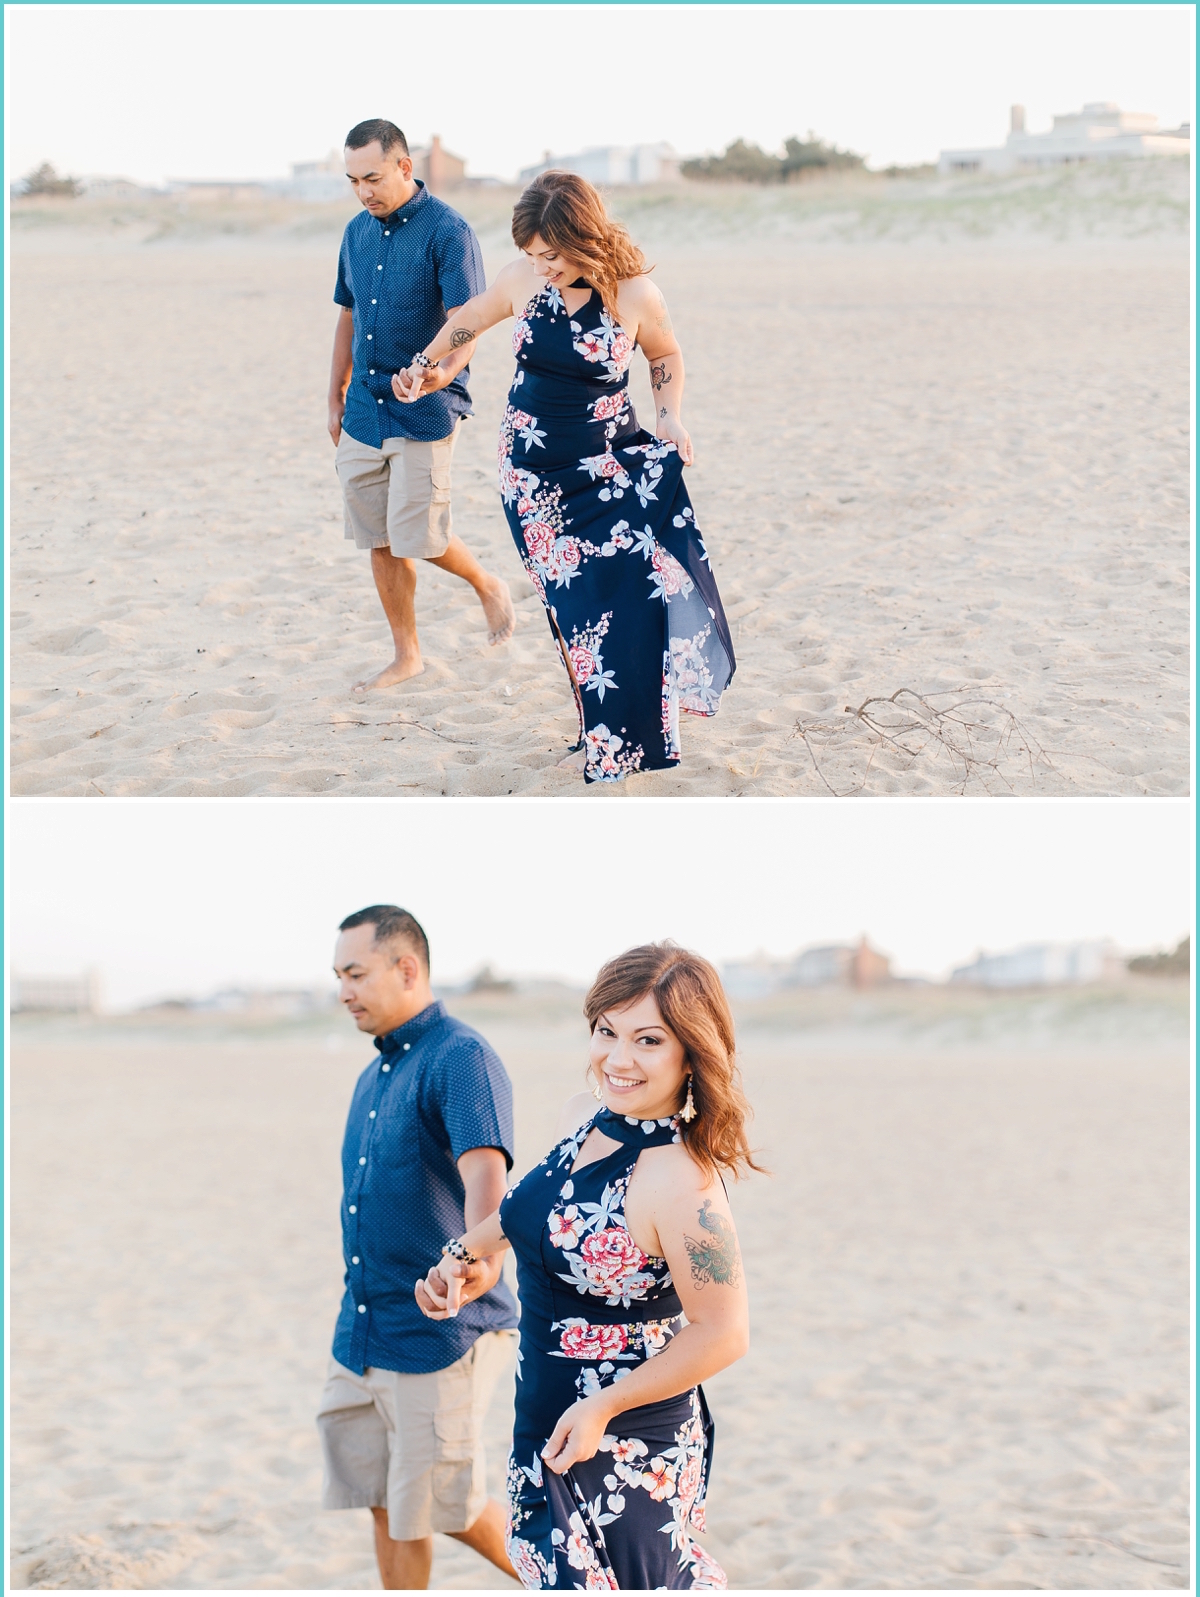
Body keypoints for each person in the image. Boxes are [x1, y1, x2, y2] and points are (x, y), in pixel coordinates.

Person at [415, 943, 760, 1590]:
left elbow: (724, 1332)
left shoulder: (683, 1182)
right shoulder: (585, 1116)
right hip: (546, 1412)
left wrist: (603, 1406)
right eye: (607, 1030)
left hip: (627, 1432)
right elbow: (535, 1213)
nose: (618, 1058)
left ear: (692, 1050)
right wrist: (461, 1254)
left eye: (649, 1039)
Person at [395, 172, 735, 783]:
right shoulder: (521, 280)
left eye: (550, 254)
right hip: (533, 479)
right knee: (574, 612)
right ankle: (597, 731)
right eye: (531, 254)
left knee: (630, 600)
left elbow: (664, 355)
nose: (540, 266)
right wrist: (425, 366)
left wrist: (670, 418)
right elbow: (469, 318)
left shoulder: (635, 295)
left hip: (609, 469)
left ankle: (634, 740)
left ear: (586, 237)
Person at [316, 904, 520, 1590]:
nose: (343, 989)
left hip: (441, 1330)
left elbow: (485, 1180)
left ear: (407, 967)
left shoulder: (460, 1056)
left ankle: (575, 1580)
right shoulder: (373, 1076)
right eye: (338, 975)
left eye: (355, 972)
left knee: (446, 1505)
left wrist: (477, 1261)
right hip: (365, 1329)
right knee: (385, 1499)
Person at [328, 120, 516, 696]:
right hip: (363, 408)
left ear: (406, 167)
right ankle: (407, 656)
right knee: (378, 539)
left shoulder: (448, 231)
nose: (364, 191)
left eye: (374, 178)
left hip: (424, 408)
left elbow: (468, 321)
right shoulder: (355, 233)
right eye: (354, 180)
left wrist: (443, 373)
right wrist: (332, 395)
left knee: (420, 537)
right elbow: (347, 315)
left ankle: (486, 582)